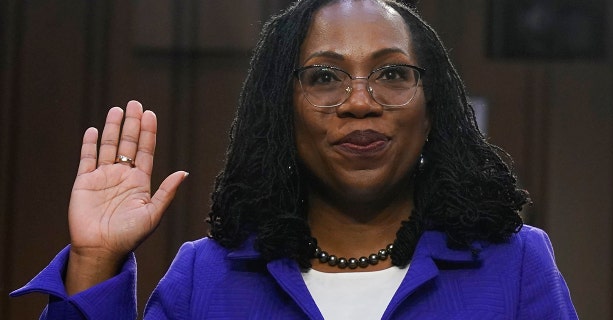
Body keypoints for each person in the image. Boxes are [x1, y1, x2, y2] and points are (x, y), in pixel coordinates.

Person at [11, 0, 578, 319]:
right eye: (325, 77)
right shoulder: (204, 277)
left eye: (392, 73)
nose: (360, 101)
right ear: (281, 113)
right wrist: (93, 263)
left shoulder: (516, 265)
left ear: (433, 113)